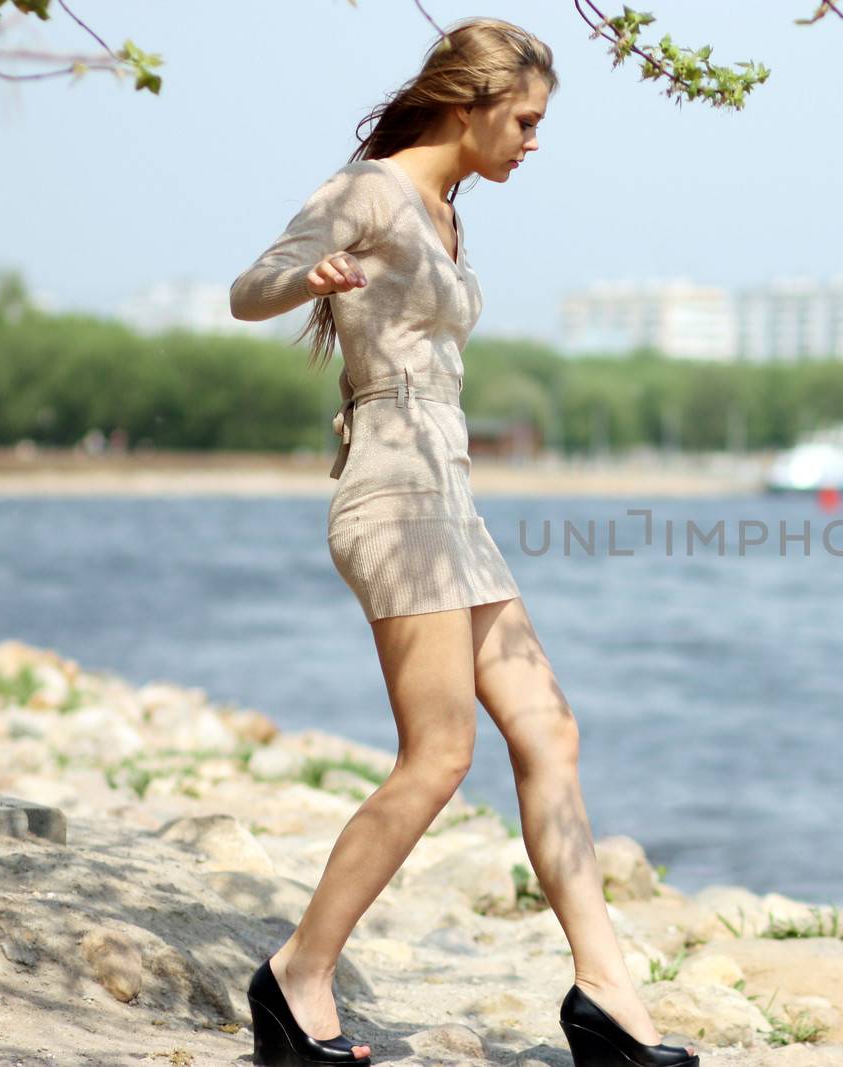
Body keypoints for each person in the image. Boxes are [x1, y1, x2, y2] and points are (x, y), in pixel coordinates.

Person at [228, 18, 698, 1067]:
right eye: (524, 120)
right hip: (394, 496)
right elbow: (247, 289)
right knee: (439, 754)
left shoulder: (443, 211)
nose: (533, 141)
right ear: (470, 101)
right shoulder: (371, 190)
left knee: (550, 727)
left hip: (449, 499)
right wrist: (312, 280)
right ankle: (297, 974)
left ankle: (606, 994)